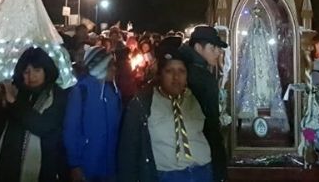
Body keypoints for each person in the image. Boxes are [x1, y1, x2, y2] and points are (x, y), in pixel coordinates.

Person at [118, 40, 214, 182]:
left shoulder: (197, 97)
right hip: (168, 175)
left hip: (202, 172)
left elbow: (213, 134)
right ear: (160, 74)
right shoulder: (143, 103)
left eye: (181, 71)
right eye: (169, 71)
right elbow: (129, 150)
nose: (176, 77)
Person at [0, 47, 69, 182]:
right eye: (26, 72)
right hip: (11, 164)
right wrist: (1, 101)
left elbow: (43, 126)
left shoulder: (56, 95)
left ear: (46, 70)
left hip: (44, 166)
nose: (32, 76)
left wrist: (13, 102)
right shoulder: (20, 92)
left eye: (37, 70)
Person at [64, 46, 122, 182]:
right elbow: (71, 130)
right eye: (110, 65)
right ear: (99, 67)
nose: (114, 68)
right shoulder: (81, 91)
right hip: (87, 165)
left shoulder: (114, 92)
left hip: (110, 166)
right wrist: (75, 164)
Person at [179, 26, 228, 182]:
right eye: (213, 47)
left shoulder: (184, 68)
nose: (218, 52)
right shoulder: (202, 77)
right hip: (199, 154)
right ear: (198, 47)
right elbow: (210, 124)